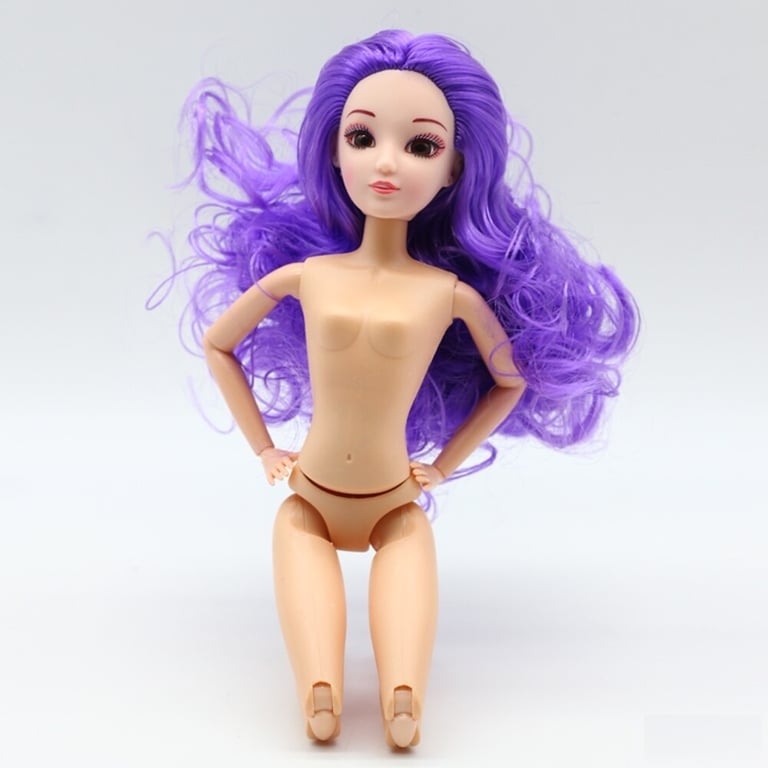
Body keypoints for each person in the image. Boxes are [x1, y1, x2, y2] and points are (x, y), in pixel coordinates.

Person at [160, 30, 638, 748]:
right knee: (311, 633)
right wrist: (263, 448)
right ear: (333, 149)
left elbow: (510, 382)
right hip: (309, 495)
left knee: (405, 661)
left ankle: (402, 698)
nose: (386, 162)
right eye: (362, 137)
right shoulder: (305, 277)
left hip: (396, 503)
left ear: (453, 170)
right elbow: (218, 344)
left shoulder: (449, 294)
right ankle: (319, 691)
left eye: (420, 145)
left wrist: (443, 465)